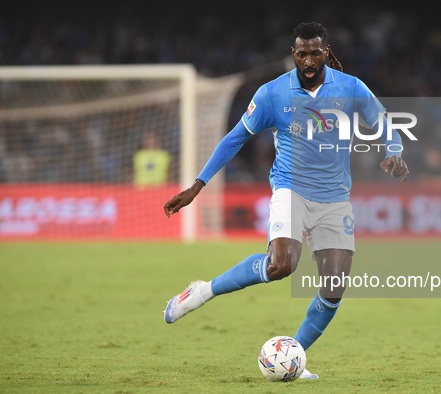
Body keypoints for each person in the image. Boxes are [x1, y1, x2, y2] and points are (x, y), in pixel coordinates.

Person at [162, 22, 410, 379]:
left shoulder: (351, 88)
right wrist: (198, 184)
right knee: (281, 265)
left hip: (335, 198)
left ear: (326, 52)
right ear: (293, 54)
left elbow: (384, 120)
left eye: (314, 52)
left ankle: (292, 358)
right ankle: (203, 291)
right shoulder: (272, 94)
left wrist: (394, 150)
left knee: (334, 288)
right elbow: (234, 138)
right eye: (300, 53)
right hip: (290, 189)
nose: (307, 60)